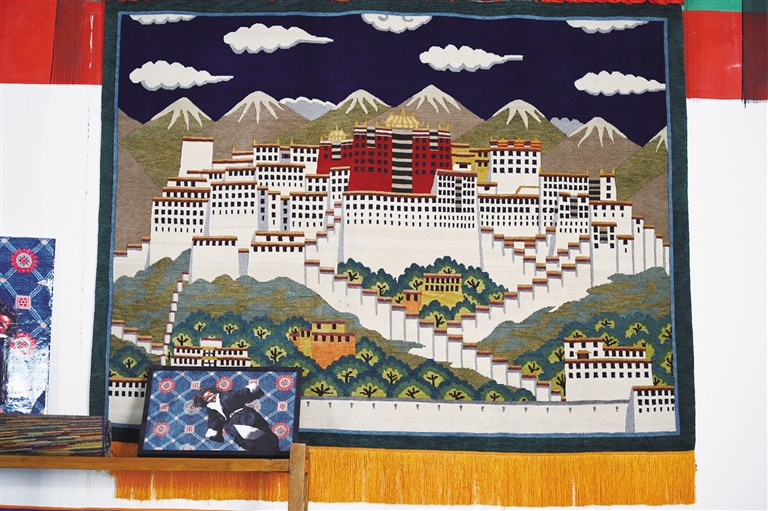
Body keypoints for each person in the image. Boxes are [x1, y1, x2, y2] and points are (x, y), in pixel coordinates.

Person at [193, 382, 280, 456]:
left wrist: (249, 390)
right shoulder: (211, 409)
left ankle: (264, 437)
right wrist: (214, 430)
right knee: (240, 437)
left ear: (214, 392)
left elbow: (240, 394)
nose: (210, 398)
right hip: (230, 423)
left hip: (243, 415)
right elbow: (214, 420)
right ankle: (252, 448)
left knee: (254, 430)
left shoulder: (227, 395)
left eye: (210, 395)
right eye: (207, 399)